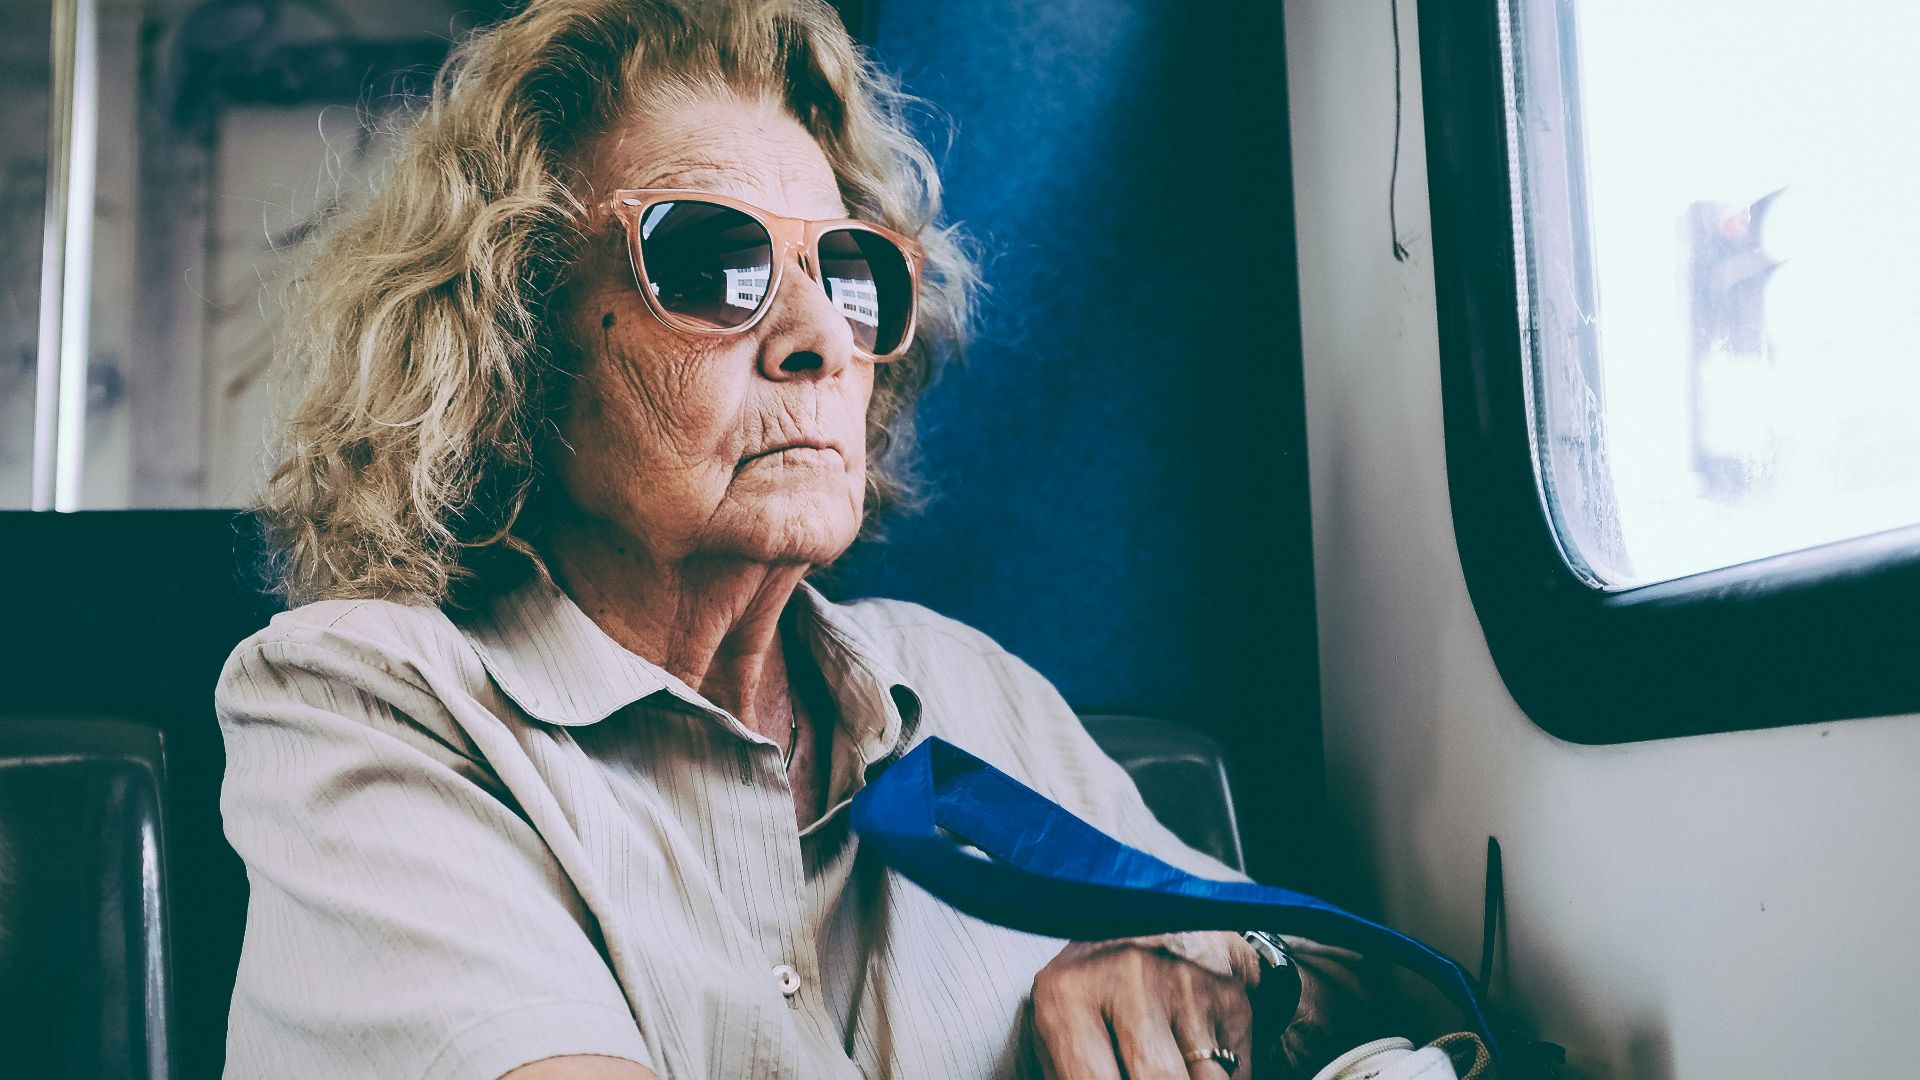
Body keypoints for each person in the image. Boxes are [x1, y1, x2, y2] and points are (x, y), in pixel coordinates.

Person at [215, 1, 1373, 1077]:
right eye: (712, 264)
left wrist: (1224, 979)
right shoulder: (368, 701)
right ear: (513, 339)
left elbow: (1355, 982)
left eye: (850, 274)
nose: (821, 334)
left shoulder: (967, 693)